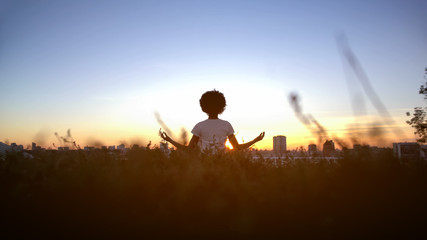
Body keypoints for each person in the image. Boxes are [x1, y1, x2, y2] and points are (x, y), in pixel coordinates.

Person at [159, 89, 264, 152]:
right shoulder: (226, 125)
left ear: (204, 107)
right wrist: (256, 140)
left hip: (205, 165)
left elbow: (189, 150)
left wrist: (169, 140)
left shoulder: (199, 126)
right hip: (223, 165)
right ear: (222, 107)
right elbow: (237, 147)